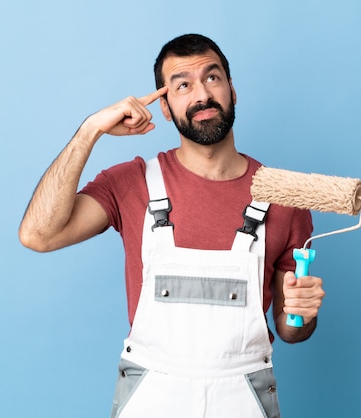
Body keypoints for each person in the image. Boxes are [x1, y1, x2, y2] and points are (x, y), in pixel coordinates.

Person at [19, 33, 325, 418]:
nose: (202, 95)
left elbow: (290, 329)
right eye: (182, 85)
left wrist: (303, 314)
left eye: (212, 78)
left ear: (232, 89)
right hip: (151, 397)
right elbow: (37, 235)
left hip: (244, 399)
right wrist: (90, 130)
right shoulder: (130, 183)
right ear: (164, 107)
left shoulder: (283, 195)